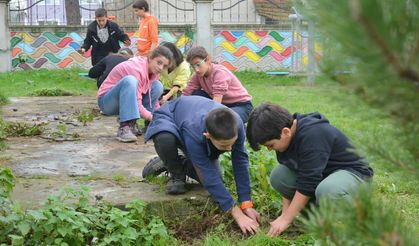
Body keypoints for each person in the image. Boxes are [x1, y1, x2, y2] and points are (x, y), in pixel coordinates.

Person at [246, 103, 374, 237]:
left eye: (270, 145)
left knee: (328, 190)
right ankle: (312, 216)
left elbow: (308, 182)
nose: (270, 149)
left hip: (353, 173)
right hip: (322, 175)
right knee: (279, 176)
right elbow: (292, 172)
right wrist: (286, 214)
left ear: (286, 132)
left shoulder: (313, 134)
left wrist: (285, 220)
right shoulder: (285, 138)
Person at [143, 96, 261, 235]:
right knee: (165, 139)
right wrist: (235, 212)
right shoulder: (193, 129)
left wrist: (246, 203)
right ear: (208, 135)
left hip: (193, 122)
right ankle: (174, 167)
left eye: (232, 143)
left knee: (217, 177)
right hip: (172, 117)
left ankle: (178, 160)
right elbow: (206, 173)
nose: (230, 149)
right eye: (224, 145)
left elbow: (240, 162)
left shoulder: (237, 124)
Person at [97, 46, 173, 142]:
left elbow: (153, 100)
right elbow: (137, 102)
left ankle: (140, 124)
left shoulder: (153, 72)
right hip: (106, 102)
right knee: (130, 81)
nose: (161, 68)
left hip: (124, 101)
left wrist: (159, 116)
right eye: (159, 62)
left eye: (164, 66)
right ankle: (125, 126)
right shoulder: (136, 68)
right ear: (150, 58)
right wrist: (152, 117)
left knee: (158, 86)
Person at [183, 46, 253, 123]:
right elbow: (187, 93)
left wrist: (205, 118)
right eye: (193, 66)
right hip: (222, 104)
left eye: (198, 64)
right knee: (195, 94)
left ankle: (239, 126)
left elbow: (216, 102)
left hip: (241, 105)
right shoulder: (198, 75)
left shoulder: (220, 73)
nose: (196, 70)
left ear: (208, 59)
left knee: (224, 120)